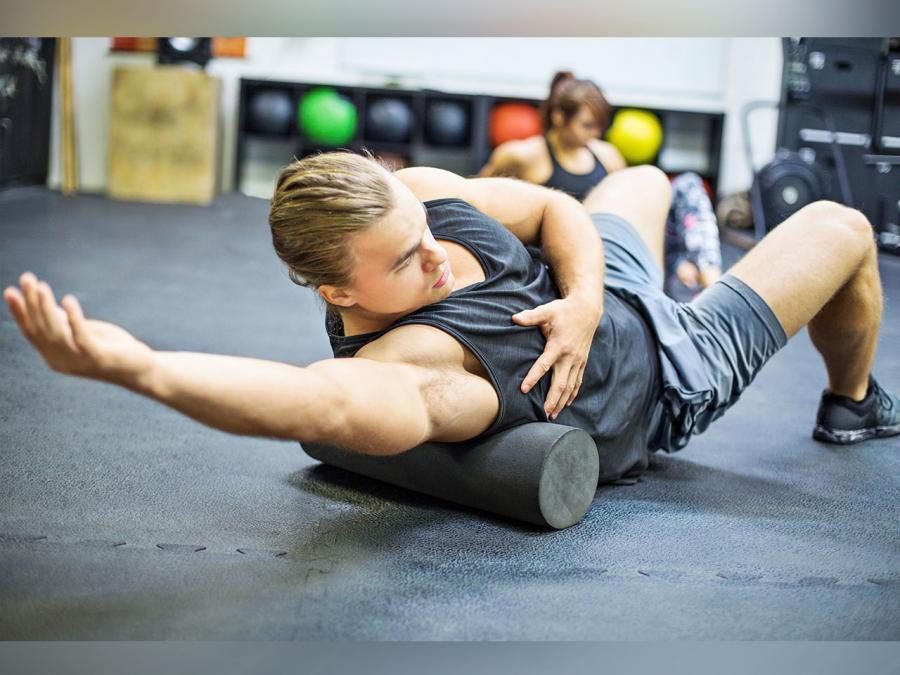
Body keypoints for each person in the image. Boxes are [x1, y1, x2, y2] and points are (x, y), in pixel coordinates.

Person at [4, 152, 898, 484]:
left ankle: (622, 279)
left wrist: (583, 297)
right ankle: (851, 400)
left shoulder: (423, 196)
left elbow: (553, 211)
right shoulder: (419, 363)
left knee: (644, 179)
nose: (434, 253)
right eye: (404, 261)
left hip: (603, 292)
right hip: (667, 367)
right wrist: (139, 368)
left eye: (421, 230)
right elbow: (314, 404)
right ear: (339, 293)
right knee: (843, 228)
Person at [480, 71, 723, 296]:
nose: (594, 133)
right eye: (587, 125)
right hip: (561, 259)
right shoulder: (524, 156)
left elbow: (635, 212)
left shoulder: (607, 156)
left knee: (688, 185)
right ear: (559, 116)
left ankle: (706, 281)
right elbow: (481, 201)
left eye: (599, 126)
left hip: (611, 251)